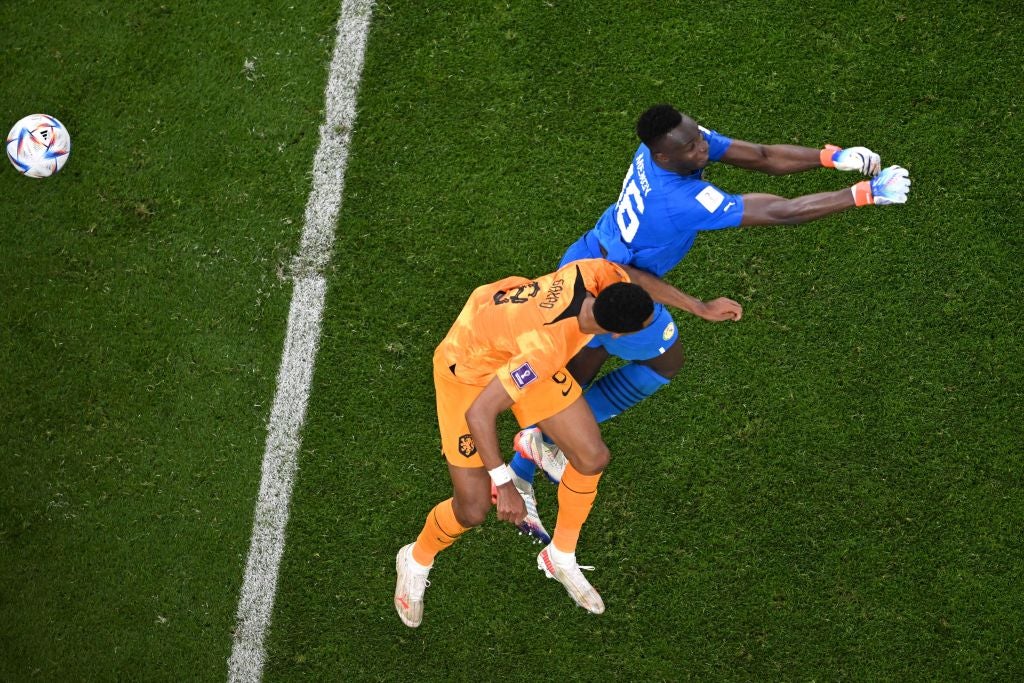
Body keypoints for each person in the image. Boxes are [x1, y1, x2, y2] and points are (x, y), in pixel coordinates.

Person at [507, 104, 912, 524]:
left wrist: (829, 157)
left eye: (700, 138)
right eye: (692, 147)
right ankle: (545, 436)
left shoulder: (668, 146)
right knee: (665, 361)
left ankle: (528, 455)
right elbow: (779, 212)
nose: (703, 148)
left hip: (582, 261)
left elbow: (760, 156)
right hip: (612, 287)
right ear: (664, 155)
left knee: (585, 363)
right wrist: (863, 194)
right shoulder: (678, 199)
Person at [394, 258, 741, 627]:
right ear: (617, 335)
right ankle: (415, 559)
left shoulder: (589, 273)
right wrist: (505, 485)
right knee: (474, 507)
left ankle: (560, 557)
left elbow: (634, 277)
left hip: (512, 342)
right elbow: (480, 414)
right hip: (467, 369)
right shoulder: (546, 350)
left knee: (591, 457)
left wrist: (699, 306)